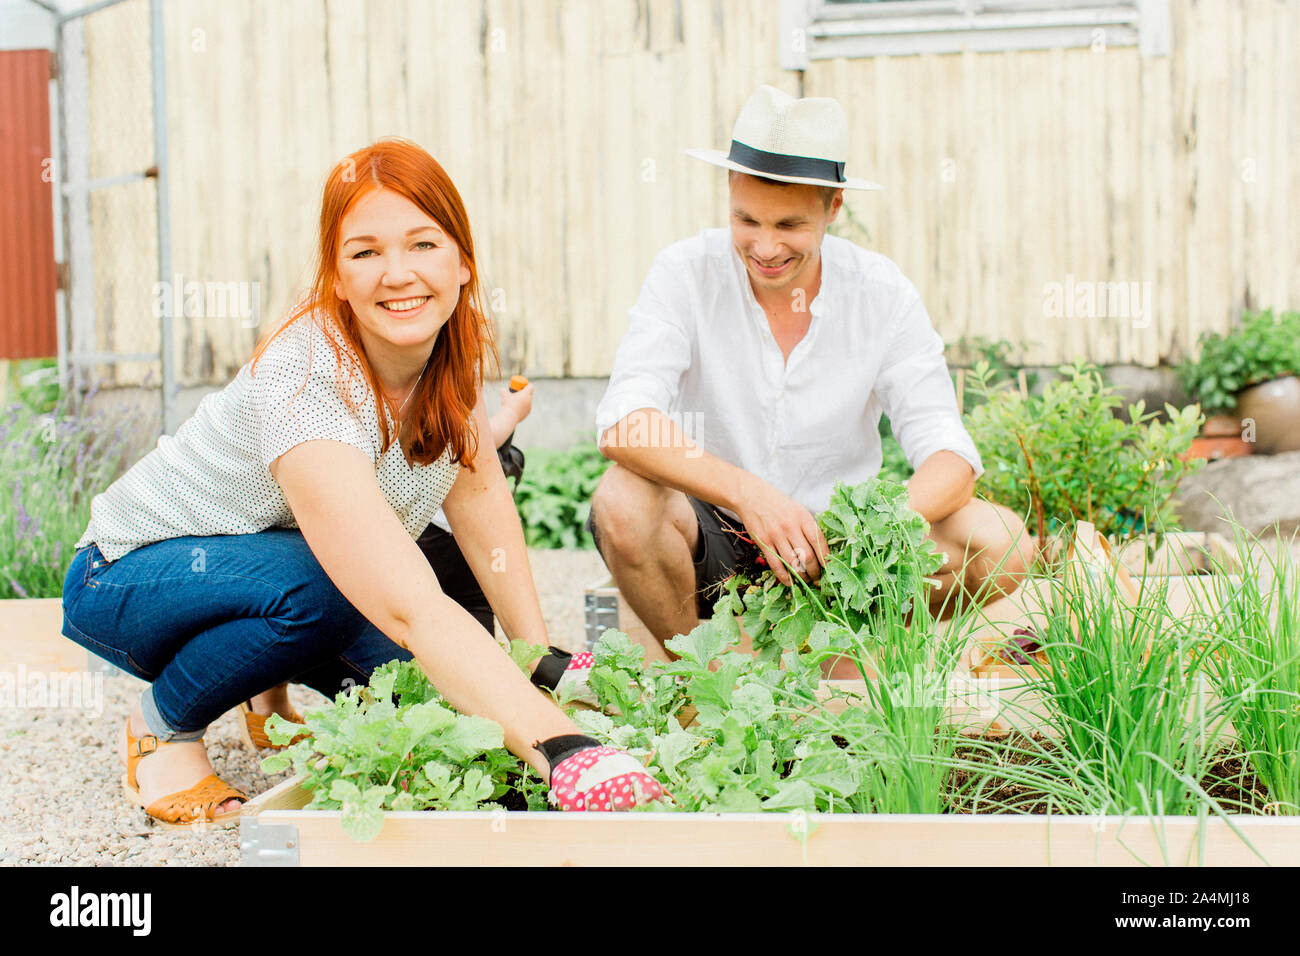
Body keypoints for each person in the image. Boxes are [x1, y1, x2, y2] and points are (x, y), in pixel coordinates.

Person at [60, 138, 661, 828]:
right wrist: (564, 748)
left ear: (463, 261)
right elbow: (406, 600)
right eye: (366, 252)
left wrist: (540, 661)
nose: (397, 273)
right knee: (336, 585)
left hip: (265, 563)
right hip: (128, 577)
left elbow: (482, 500)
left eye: (422, 245)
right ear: (337, 277)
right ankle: (162, 728)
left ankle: (264, 691)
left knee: (438, 714)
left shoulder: (443, 355)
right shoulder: (306, 378)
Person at [588, 86, 1035, 668]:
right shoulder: (684, 273)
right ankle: (704, 677)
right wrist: (750, 495)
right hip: (717, 541)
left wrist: (862, 533)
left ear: (834, 207)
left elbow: (950, 456)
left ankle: (845, 647)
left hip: (844, 552)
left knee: (1000, 541)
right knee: (622, 499)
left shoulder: (881, 292)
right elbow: (625, 423)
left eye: (790, 225)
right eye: (746, 220)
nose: (765, 246)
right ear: (728, 194)